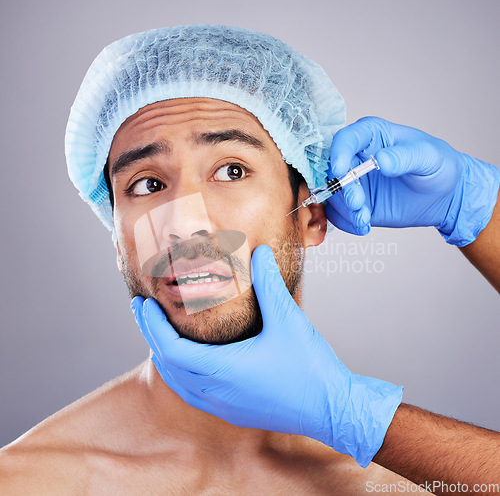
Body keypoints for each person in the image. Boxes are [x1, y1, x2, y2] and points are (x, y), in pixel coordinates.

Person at [0, 24, 498, 495]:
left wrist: (479, 208)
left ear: (311, 216)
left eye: (232, 170)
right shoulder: (25, 483)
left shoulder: (424, 478)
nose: (185, 225)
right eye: (147, 184)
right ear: (118, 237)